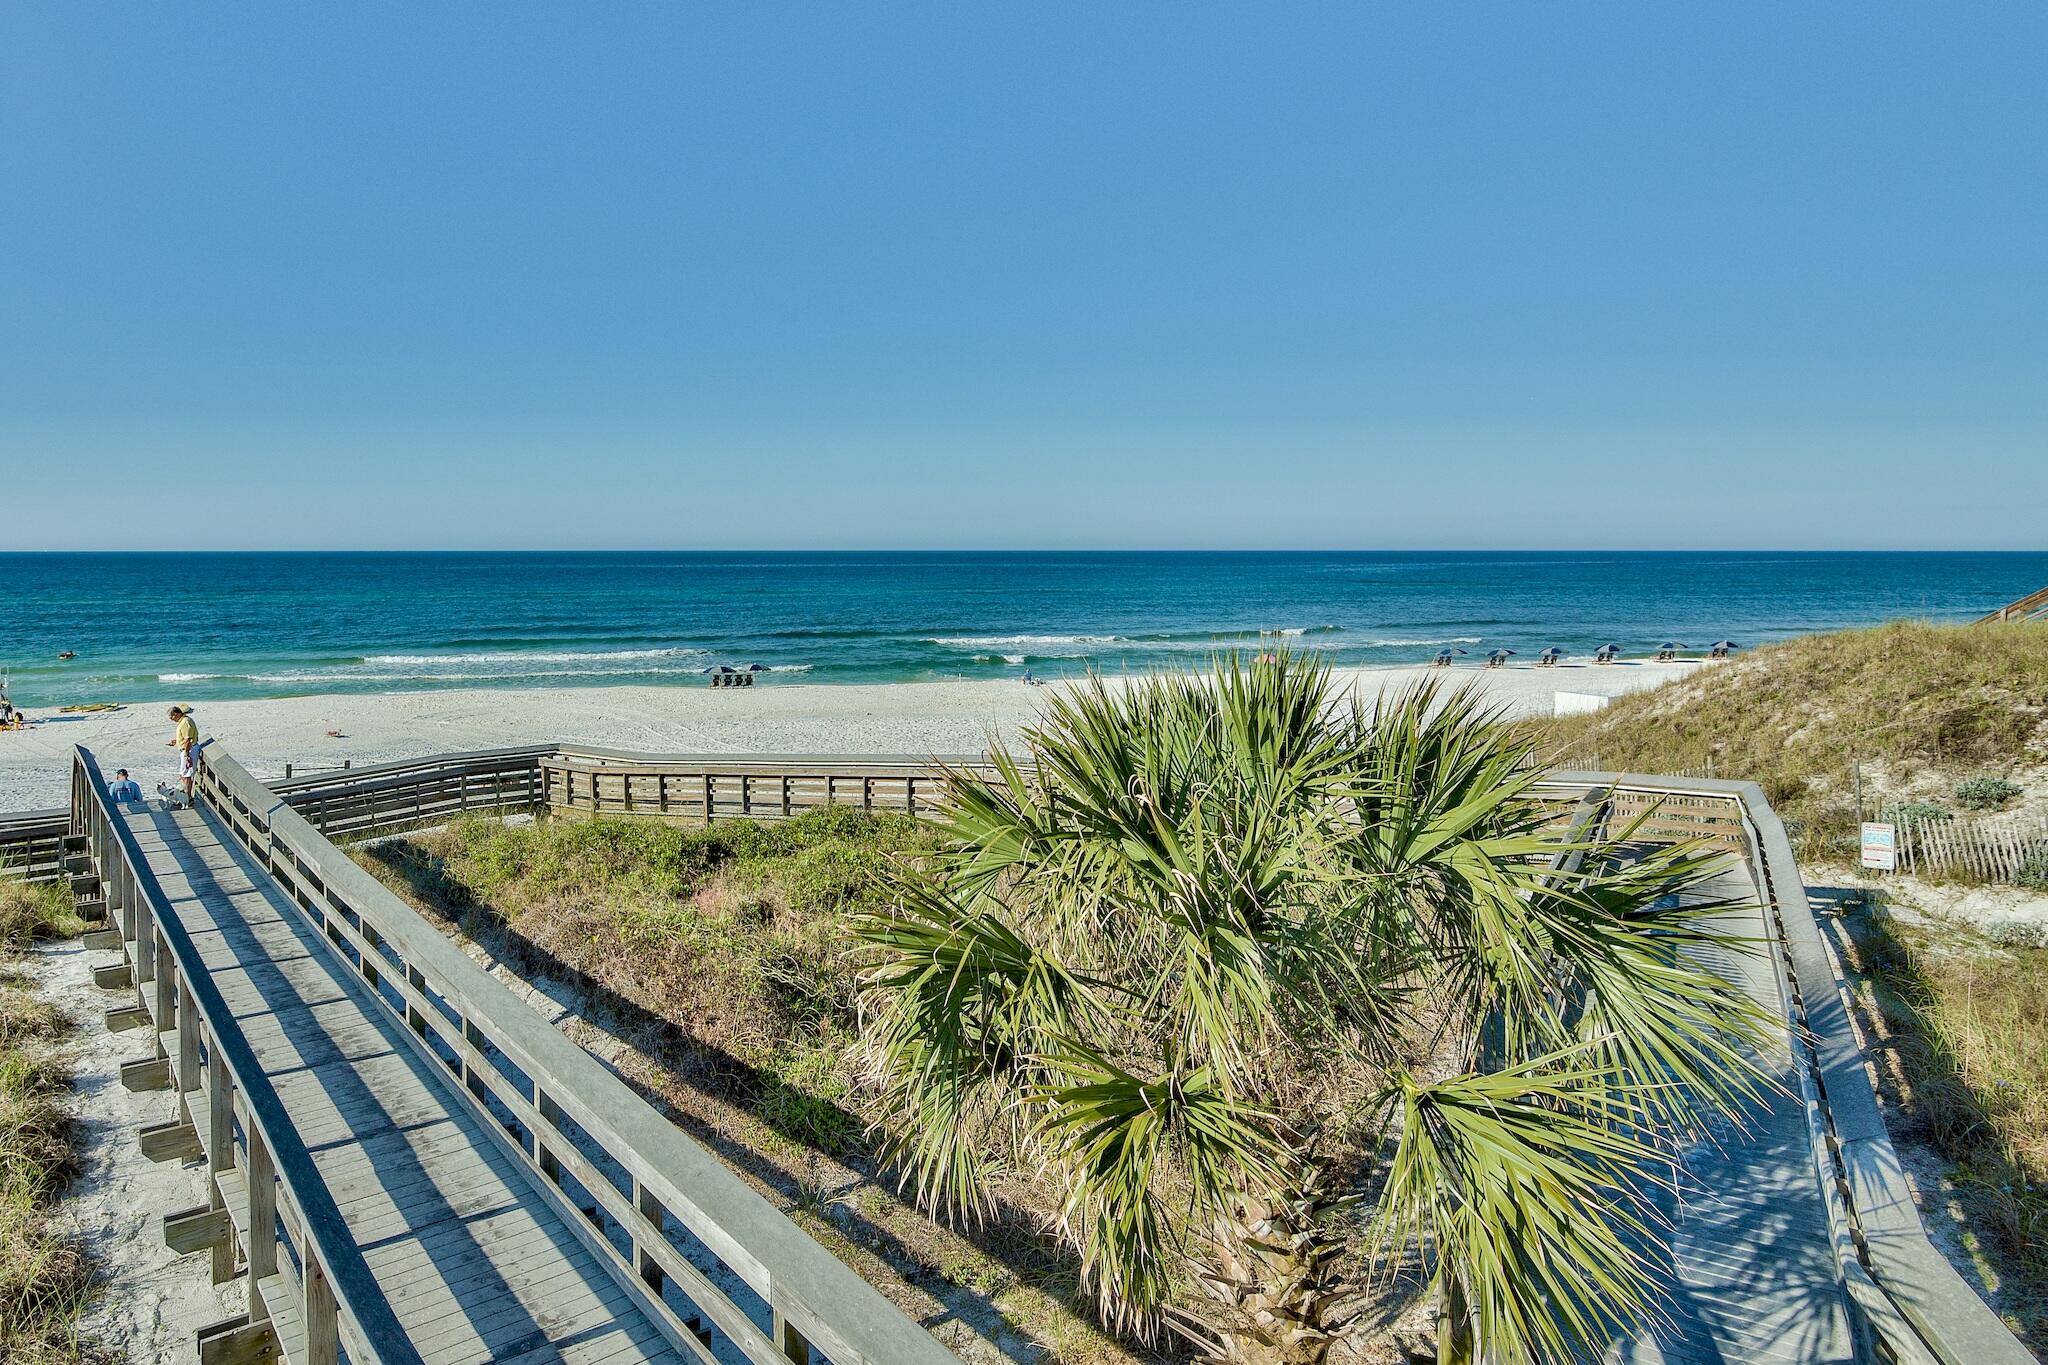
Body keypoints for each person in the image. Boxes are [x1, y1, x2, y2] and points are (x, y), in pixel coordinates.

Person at [167, 705, 199, 801]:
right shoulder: (183, 721)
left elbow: (188, 739)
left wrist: (186, 753)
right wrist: (176, 741)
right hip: (186, 749)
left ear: (177, 714)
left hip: (189, 750)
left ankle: (187, 798)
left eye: (171, 716)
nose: (171, 719)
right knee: (183, 774)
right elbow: (184, 738)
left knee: (186, 775)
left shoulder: (185, 722)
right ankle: (185, 797)